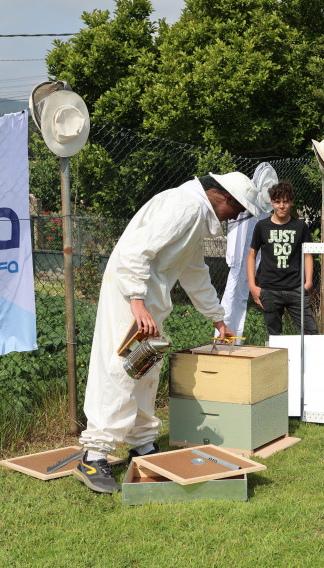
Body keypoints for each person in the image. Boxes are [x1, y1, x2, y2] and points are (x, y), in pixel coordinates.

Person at [74, 172, 263, 494]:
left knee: (146, 369)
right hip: (130, 298)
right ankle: (95, 454)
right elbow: (136, 252)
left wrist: (217, 318)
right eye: (239, 210)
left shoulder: (193, 214)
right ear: (226, 199)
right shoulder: (184, 205)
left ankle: (142, 444)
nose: (235, 217)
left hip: (146, 300)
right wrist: (136, 301)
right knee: (122, 371)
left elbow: (193, 272)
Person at [214, 163, 277, 342]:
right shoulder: (242, 196)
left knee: (241, 299)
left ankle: (235, 338)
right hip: (238, 261)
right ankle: (223, 337)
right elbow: (236, 230)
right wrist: (234, 259)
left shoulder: (264, 206)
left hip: (249, 260)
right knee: (231, 295)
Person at [247, 180, 318, 336]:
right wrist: (252, 286)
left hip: (295, 288)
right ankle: (279, 361)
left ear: (291, 202)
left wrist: (308, 282)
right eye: (277, 201)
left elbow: (308, 254)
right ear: (271, 202)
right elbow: (252, 256)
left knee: (311, 334)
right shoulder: (261, 226)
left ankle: (309, 360)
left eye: (285, 202)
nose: (281, 206)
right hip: (269, 289)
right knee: (274, 337)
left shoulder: (300, 226)